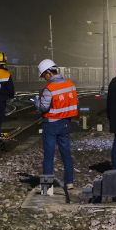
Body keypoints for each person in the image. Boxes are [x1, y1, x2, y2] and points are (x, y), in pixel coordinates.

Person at [36, 58, 78, 189]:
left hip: (51, 124)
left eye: (44, 75)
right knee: (66, 153)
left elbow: (43, 107)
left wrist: (37, 101)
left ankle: (47, 187)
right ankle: (69, 182)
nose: (44, 78)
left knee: (48, 156)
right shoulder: (70, 85)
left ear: (49, 72)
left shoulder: (50, 88)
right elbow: (74, 103)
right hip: (65, 123)